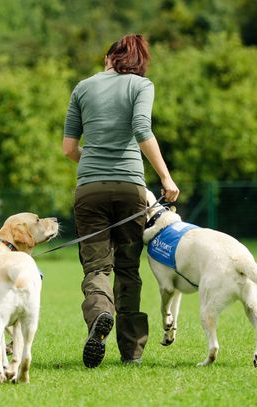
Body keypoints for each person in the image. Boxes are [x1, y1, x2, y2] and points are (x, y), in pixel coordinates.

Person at [63, 34, 180, 368]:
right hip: (130, 188)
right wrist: (166, 177)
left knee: (97, 267)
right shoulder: (142, 86)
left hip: (90, 190)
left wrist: (93, 162)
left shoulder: (82, 87)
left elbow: (69, 149)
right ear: (139, 62)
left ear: (108, 57)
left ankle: (100, 315)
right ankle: (131, 351)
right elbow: (142, 128)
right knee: (128, 269)